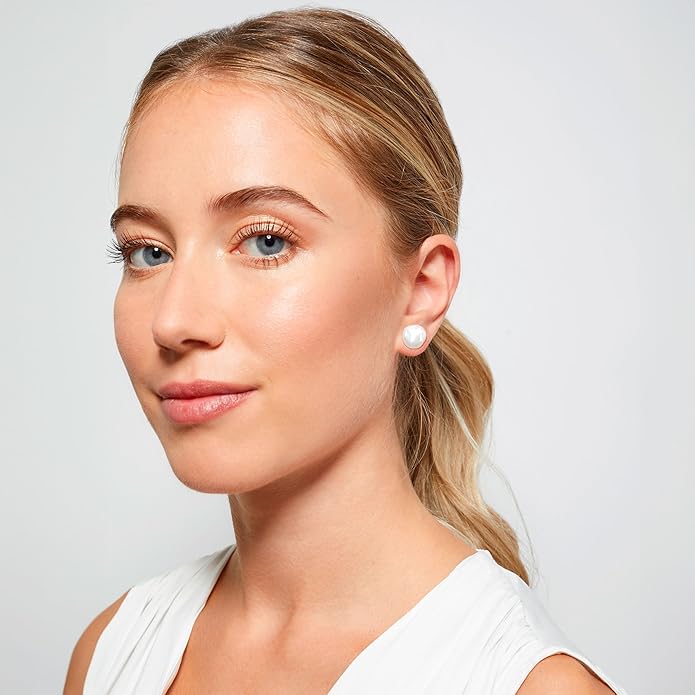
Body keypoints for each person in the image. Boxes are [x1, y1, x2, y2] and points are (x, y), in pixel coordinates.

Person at [63, 7, 627, 694]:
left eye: (266, 240)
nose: (175, 321)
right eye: (147, 252)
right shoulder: (112, 651)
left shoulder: (530, 686)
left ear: (420, 290)